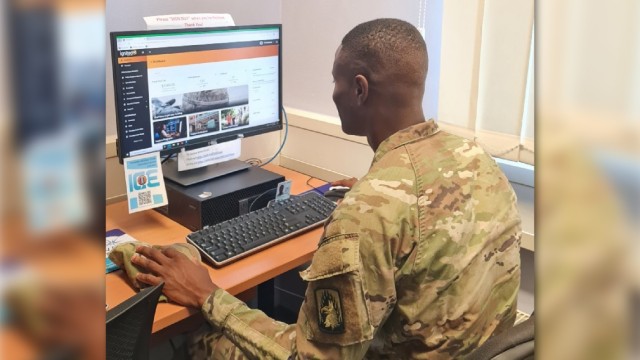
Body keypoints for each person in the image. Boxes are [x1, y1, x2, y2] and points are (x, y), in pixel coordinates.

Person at [131, 18, 521, 359]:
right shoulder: (475, 157)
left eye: (335, 79)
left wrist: (207, 295)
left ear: (359, 89)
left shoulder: (368, 213)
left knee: (199, 337)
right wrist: (369, 195)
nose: (332, 92)